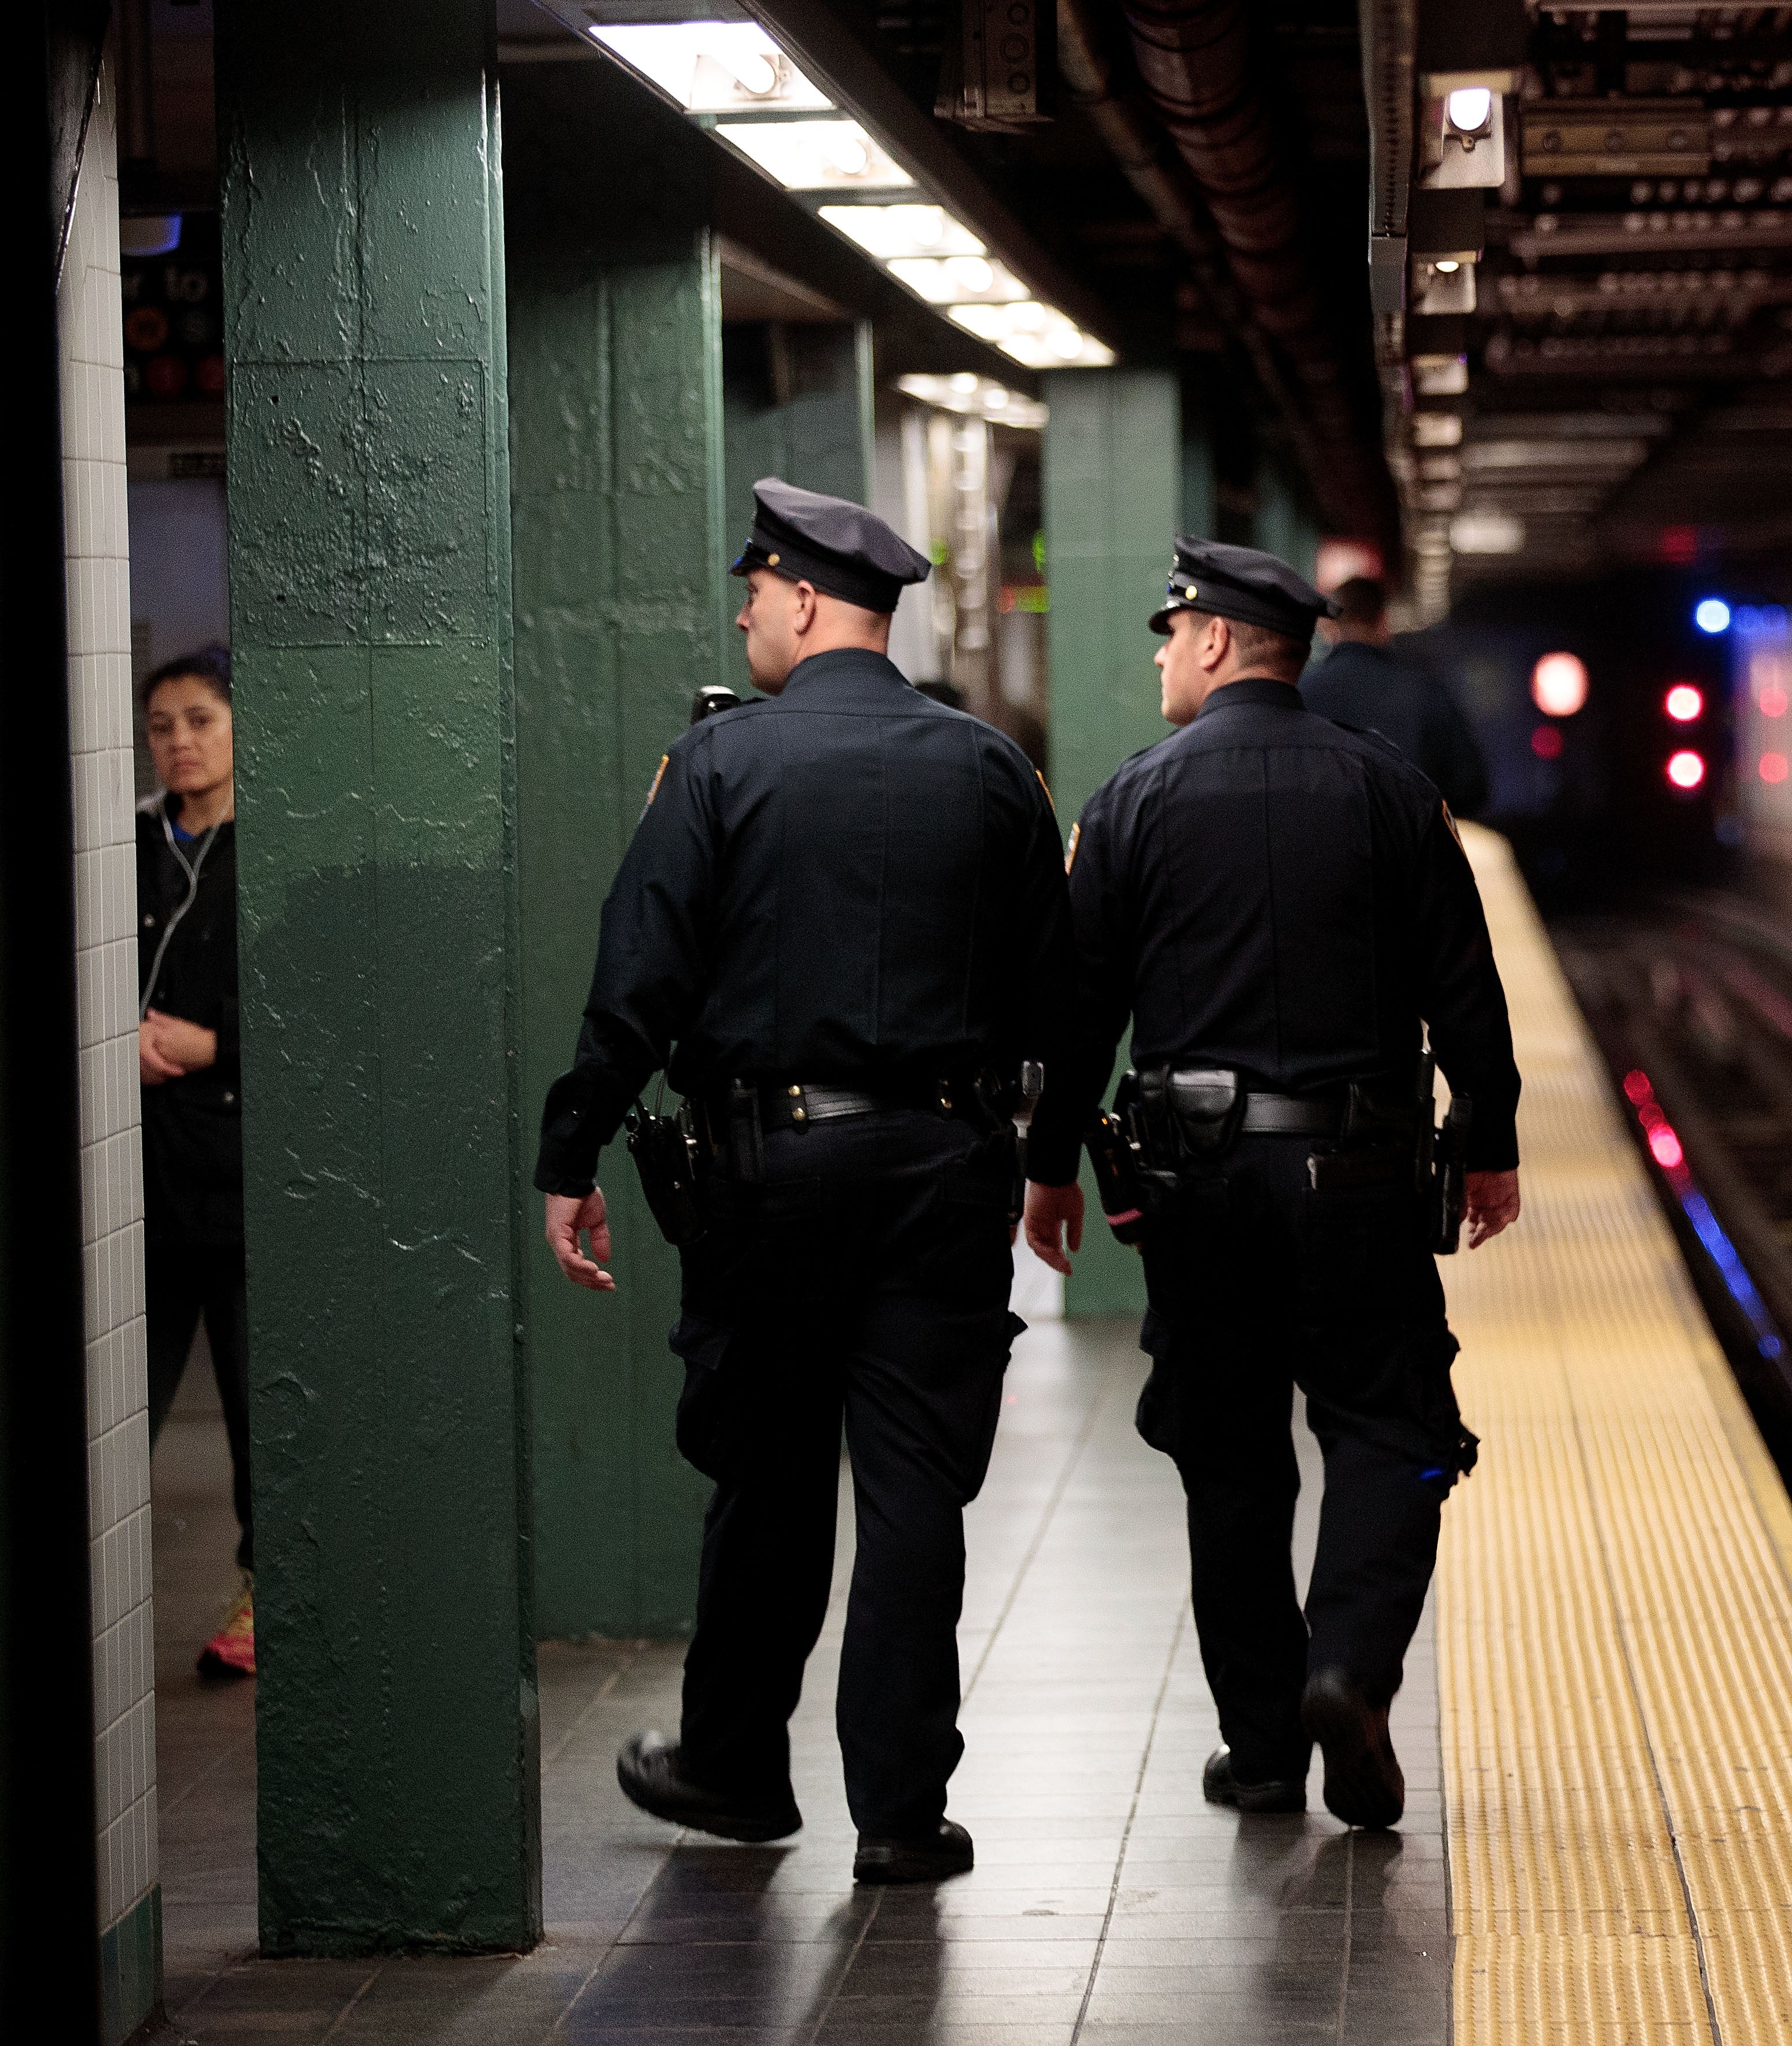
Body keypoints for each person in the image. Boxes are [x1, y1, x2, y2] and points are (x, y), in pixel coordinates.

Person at [535, 478, 1075, 1886]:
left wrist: (570, 1149)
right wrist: (1033, 1142)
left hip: (772, 1172)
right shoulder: (990, 771)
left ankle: (736, 1769)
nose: (742, 612)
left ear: (802, 602)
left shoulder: (718, 768)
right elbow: (1057, 995)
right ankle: (900, 1815)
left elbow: (635, 977)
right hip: (948, 1168)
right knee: (913, 1495)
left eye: (754, 591)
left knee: (767, 1477)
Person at [1022, 537, 1522, 1830]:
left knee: (1227, 1454)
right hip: (1357, 1174)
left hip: (1193, 1187)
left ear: (1210, 644)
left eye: (1166, 634)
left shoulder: (1130, 802)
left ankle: (1259, 1752)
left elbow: (1079, 1011)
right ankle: (1347, 1667)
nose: (1156, 656)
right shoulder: (1387, 789)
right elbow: (1463, 988)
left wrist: (1049, 1165)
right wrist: (1490, 1143)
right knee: (1395, 1431)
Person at [137, 646, 254, 1678]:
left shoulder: (262, 850)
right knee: (123, 1403)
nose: (180, 742)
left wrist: (218, 1043)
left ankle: (264, 1595)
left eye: (200, 721)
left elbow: (312, 1014)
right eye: (163, 726)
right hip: (138, 1186)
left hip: (237, 1183)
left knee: (260, 1411)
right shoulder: (127, 849)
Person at [1301, 575, 1492, 818]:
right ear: (1384, 622)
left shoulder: (1302, 691)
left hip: (1325, 845)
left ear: (1331, 629)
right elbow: (1471, 786)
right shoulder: (1425, 690)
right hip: (1410, 848)